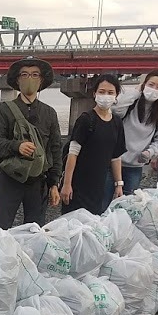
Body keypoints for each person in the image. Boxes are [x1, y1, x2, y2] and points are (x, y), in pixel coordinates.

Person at [0, 56, 64, 227]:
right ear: (17, 79)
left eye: (35, 75)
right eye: (24, 74)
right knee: (1, 228)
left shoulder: (49, 113)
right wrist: (16, 146)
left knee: (35, 231)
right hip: (9, 178)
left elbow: (55, 149)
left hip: (39, 181)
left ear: (41, 80)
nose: (29, 78)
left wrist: (54, 183)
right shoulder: (3, 111)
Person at [60, 75, 126, 215]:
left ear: (116, 95)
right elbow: (73, 154)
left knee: (93, 222)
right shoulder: (86, 119)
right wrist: (67, 184)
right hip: (78, 184)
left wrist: (119, 184)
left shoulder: (117, 122)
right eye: (102, 92)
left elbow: (116, 156)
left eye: (110, 92)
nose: (105, 96)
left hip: (99, 184)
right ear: (94, 93)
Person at [105, 70, 158, 209]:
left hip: (134, 167)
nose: (153, 89)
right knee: (102, 203)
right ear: (143, 84)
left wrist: (150, 153)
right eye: (150, 84)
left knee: (128, 207)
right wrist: (136, 93)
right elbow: (115, 109)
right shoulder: (131, 102)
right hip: (111, 163)